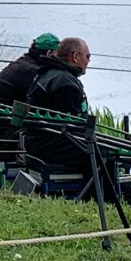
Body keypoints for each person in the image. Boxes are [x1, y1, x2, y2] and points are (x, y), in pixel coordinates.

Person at [23, 37, 92, 174]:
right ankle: (101, 195)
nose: (89, 61)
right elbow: (72, 128)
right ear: (75, 56)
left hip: (37, 141)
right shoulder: (66, 83)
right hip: (48, 144)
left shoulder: (47, 73)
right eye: (88, 56)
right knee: (103, 155)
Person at [0, 33, 60, 139]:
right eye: (58, 55)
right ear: (50, 53)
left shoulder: (23, 64)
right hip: (2, 132)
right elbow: (45, 105)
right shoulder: (31, 72)